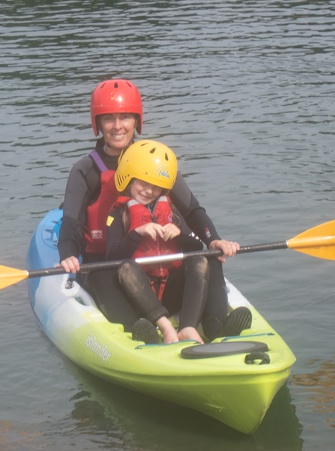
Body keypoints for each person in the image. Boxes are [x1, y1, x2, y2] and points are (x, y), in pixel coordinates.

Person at [57, 78, 251, 340]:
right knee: (100, 274)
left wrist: (213, 239)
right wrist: (68, 253)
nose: (117, 126)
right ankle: (140, 331)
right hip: (113, 271)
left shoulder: (157, 161)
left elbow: (191, 209)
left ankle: (215, 329)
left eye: (125, 117)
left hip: (160, 272)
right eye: (109, 118)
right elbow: (71, 221)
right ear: (98, 123)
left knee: (211, 257)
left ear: (136, 121)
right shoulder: (85, 170)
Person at [105, 140, 209, 344]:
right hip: (140, 295)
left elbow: (197, 247)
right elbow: (112, 257)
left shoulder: (171, 211)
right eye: (143, 183)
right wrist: (137, 233)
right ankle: (165, 326)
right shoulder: (117, 214)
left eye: (155, 187)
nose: (148, 191)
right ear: (129, 180)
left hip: (171, 291)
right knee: (126, 268)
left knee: (200, 261)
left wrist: (179, 234)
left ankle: (188, 327)